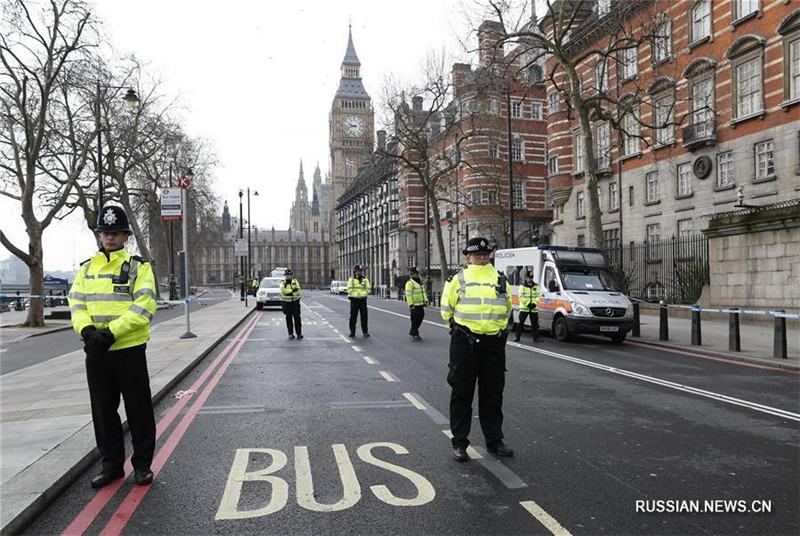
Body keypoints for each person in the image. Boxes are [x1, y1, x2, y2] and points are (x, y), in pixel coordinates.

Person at [67, 205, 157, 488]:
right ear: (99, 235)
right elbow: (76, 304)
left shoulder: (138, 267)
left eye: (115, 233)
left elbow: (144, 305)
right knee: (104, 412)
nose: (109, 237)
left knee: (138, 410)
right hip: (97, 352)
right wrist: (87, 331)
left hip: (128, 349)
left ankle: (142, 466)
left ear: (125, 236)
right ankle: (111, 466)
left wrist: (111, 333)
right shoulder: (86, 269)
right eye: (105, 233)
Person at [440, 237, 513, 462]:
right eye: (477, 255)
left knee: (492, 395)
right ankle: (460, 442)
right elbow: (446, 309)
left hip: (493, 343)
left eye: (485, 254)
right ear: (468, 257)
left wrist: (499, 331)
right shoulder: (457, 278)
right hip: (465, 343)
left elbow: (508, 308)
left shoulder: (500, 279)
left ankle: (494, 440)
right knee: (462, 393)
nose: (482, 258)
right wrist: (458, 331)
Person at [514, 271, 541, 342]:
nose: (530, 279)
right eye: (529, 278)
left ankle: (535, 338)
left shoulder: (536, 286)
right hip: (524, 308)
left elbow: (538, 296)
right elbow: (521, 296)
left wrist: (534, 303)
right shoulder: (522, 286)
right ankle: (517, 337)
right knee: (521, 323)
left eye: (531, 278)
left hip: (534, 308)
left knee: (534, 324)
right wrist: (528, 303)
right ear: (526, 278)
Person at [347, 264, 370, 337]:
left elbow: (368, 289)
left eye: (360, 271)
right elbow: (349, 289)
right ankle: (352, 331)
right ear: (354, 271)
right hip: (354, 300)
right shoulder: (351, 279)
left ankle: (365, 331)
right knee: (353, 316)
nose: (359, 272)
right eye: (357, 271)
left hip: (362, 300)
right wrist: (356, 295)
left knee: (364, 316)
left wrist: (362, 294)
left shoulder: (365, 279)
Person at [405, 267, 427, 341]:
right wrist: (411, 304)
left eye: (416, 274)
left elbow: (423, 292)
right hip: (414, 304)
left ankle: (414, 331)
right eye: (414, 274)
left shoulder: (419, 282)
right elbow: (408, 294)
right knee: (415, 319)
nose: (416, 275)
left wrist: (425, 301)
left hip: (420, 303)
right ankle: (414, 332)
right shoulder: (410, 283)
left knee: (421, 317)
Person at [280, 269, 303, 340]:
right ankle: (290, 334)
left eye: (289, 275)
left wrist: (289, 292)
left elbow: (298, 290)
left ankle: (299, 334)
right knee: (289, 318)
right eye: (286, 275)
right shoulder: (282, 282)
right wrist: (292, 291)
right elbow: (283, 291)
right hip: (286, 303)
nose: (287, 276)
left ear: (291, 275)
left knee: (297, 318)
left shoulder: (295, 281)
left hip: (295, 302)